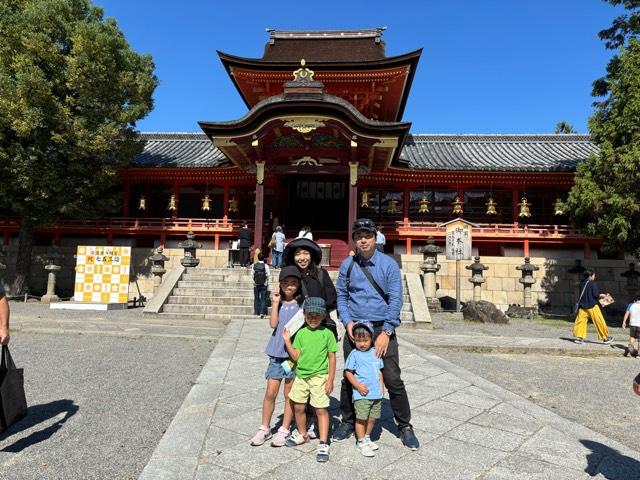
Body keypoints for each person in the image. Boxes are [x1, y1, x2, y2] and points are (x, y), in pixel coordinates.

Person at [333, 218, 419, 450]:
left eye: (367, 235)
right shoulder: (347, 266)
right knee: (350, 375)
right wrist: (347, 321)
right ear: (354, 240)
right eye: (359, 236)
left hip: (382, 327)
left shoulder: (389, 265)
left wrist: (387, 331)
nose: (363, 240)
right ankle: (348, 420)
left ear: (375, 237)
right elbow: (341, 296)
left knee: (392, 377)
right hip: (356, 329)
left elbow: (395, 298)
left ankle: (404, 425)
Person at [250, 266, 303, 447]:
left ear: (298, 285)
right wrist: (274, 303)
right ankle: (264, 427)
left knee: (289, 393)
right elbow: (273, 324)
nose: (290, 286)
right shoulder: (278, 303)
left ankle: (284, 428)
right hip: (276, 353)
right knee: (270, 392)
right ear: (280, 284)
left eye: (294, 283)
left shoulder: (302, 305)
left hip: (292, 356)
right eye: (286, 283)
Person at [283, 297, 337, 463]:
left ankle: (323, 441)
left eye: (317, 315)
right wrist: (287, 341)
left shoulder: (327, 334)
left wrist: (330, 380)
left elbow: (332, 358)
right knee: (298, 406)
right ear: (304, 315)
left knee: (321, 409)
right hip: (301, 376)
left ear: (323, 316)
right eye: (310, 315)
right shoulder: (301, 333)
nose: (313, 318)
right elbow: (296, 356)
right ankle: (302, 433)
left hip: (319, 377)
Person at [283, 238, 338, 339]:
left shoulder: (321, 274)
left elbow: (331, 301)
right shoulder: (289, 277)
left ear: (311, 255)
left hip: (320, 327)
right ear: (293, 257)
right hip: (297, 328)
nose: (302, 258)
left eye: (306, 253)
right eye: (297, 254)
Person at [344, 322, 384, 457]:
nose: (362, 344)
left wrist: (382, 388)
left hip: (376, 393)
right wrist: (358, 386)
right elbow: (348, 372)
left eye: (365, 340)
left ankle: (367, 437)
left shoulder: (376, 353)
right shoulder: (354, 354)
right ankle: (360, 441)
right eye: (358, 340)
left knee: (372, 418)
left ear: (371, 339)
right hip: (362, 393)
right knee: (361, 418)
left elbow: (380, 372)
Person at [573, 270, 614, 345]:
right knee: (599, 322)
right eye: (594, 275)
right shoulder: (593, 283)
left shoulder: (582, 283)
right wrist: (602, 295)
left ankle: (579, 338)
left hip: (582, 307)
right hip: (592, 306)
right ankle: (605, 338)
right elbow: (595, 295)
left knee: (580, 322)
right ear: (590, 276)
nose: (595, 276)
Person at [251, 253, 270, 318]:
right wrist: (266, 281)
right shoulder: (266, 266)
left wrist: (255, 280)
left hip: (256, 284)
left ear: (258, 258)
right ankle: (262, 312)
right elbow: (268, 275)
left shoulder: (254, 265)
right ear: (263, 258)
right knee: (263, 298)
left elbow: (252, 275)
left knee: (256, 298)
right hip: (264, 284)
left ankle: (256, 311)